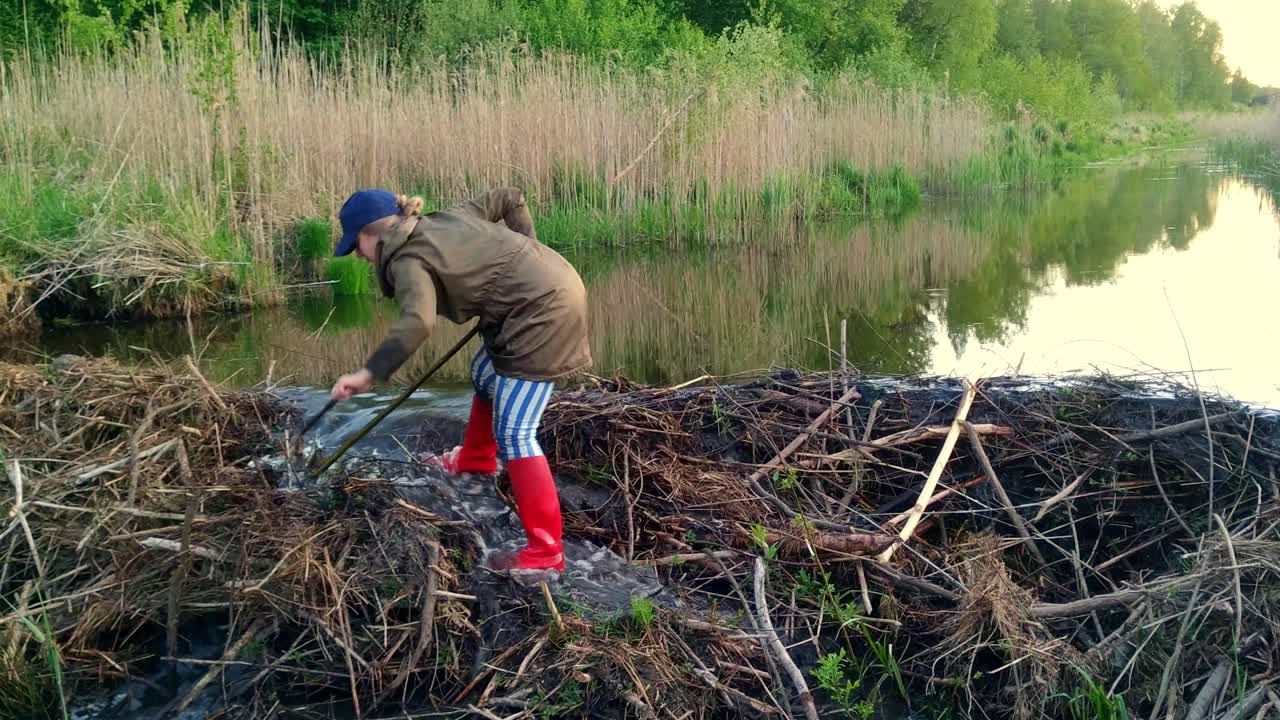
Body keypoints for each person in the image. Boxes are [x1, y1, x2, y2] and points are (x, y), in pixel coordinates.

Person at [329, 187, 591, 576]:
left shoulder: (407, 260)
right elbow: (511, 197)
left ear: (373, 233)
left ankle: (546, 552)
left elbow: (418, 322)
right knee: (483, 374)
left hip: (544, 313)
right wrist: (530, 256)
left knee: (517, 433)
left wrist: (368, 373)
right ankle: (476, 460)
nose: (358, 256)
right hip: (534, 299)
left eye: (356, 245)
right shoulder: (447, 217)